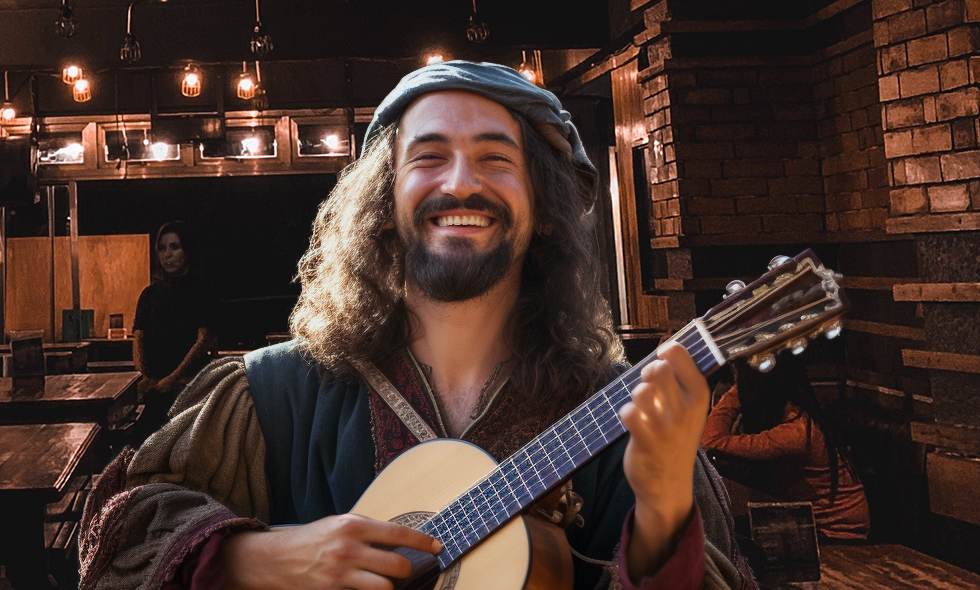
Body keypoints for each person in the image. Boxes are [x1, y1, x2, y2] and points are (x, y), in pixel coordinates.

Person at [79, 62, 757, 590]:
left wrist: (663, 512)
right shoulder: (271, 398)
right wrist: (255, 557)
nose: (460, 182)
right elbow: (114, 533)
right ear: (382, 204)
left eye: (496, 157)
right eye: (428, 157)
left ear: (545, 208)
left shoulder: (621, 418)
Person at [701, 356, 870, 540]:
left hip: (836, 533)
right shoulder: (790, 418)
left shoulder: (795, 432)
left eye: (742, 376)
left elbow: (711, 441)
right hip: (806, 522)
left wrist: (739, 391)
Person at [132, 221, 219, 434]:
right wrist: (143, 375)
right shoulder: (149, 294)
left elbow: (203, 341)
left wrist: (173, 378)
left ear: (187, 250)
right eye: (162, 248)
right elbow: (138, 337)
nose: (167, 255)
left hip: (188, 390)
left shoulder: (202, 291)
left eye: (174, 247)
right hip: (155, 390)